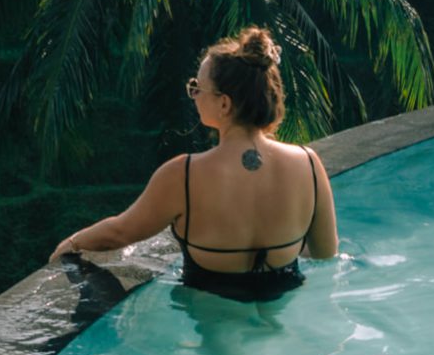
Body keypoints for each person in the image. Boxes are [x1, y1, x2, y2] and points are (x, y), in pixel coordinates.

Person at [49, 27, 338, 302]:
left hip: (213, 314)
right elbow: (326, 254)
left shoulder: (184, 175)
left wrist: (72, 243)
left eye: (198, 88)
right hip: (283, 309)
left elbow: (121, 232)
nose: (194, 96)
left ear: (224, 104)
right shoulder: (309, 164)